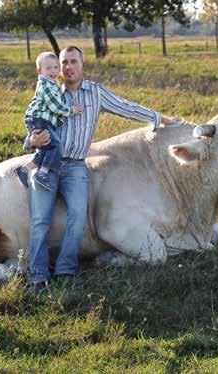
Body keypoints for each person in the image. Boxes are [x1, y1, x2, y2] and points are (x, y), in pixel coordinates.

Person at [24, 46, 181, 293]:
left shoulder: (95, 93)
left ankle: (65, 271)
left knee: (78, 218)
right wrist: (31, 141)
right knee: (39, 220)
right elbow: (33, 119)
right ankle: (38, 277)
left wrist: (160, 118)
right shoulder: (50, 89)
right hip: (46, 163)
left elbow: (126, 108)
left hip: (76, 166)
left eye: (73, 62)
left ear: (82, 64)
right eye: (63, 63)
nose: (67, 67)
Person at [16, 51, 84, 191]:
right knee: (57, 146)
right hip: (39, 120)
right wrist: (72, 110)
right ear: (40, 71)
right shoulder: (46, 86)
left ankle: (24, 170)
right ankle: (42, 174)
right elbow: (56, 107)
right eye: (48, 68)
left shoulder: (52, 83)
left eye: (55, 67)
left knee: (47, 149)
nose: (53, 71)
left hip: (43, 121)